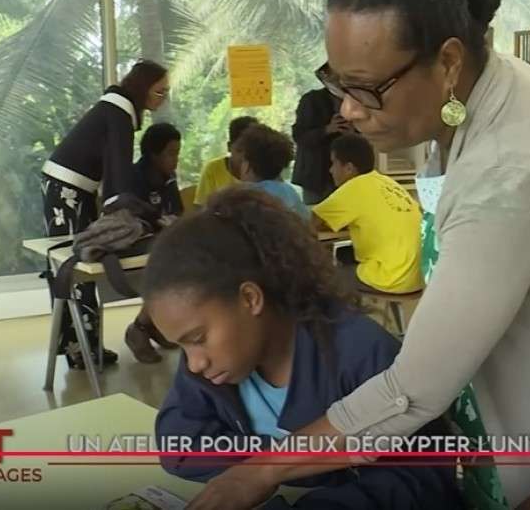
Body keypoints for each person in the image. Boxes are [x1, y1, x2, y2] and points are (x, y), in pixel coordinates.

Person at [183, 0, 530, 509]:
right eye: (337, 81)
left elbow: (414, 389)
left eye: (367, 88)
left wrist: (260, 472)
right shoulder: (472, 94)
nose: (349, 109)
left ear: (448, 61)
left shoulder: (511, 171)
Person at [145, 188, 463, 510]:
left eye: (197, 338)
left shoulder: (360, 353)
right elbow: (179, 445)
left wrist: (286, 469)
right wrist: (284, 465)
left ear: (250, 299)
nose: (193, 364)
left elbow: (423, 479)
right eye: (181, 346)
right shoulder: (215, 362)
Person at [41, 59, 169, 370]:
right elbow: (119, 177)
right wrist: (138, 213)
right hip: (67, 190)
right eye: (159, 91)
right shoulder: (119, 111)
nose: (163, 98)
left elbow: (116, 176)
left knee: (80, 267)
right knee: (75, 268)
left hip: (75, 190)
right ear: (143, 87)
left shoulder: (118, 108)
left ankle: (85, 346)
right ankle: (81, 349)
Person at [312, 132, 422, 294]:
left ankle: (348, 310)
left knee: (322, 278)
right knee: (344, 253)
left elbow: (312, 222)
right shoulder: (386, 181)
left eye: (333, 163)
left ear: (349, 168)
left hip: (391, 278)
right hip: (418, 277)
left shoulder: (353, 187)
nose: (330, 170)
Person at [124, 122, 183, 364]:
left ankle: (149, 323)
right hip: (135, 241)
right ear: (153, 154)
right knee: (172, 263)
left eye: (178, 153)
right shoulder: (133, 178)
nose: (176, 160)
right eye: (171, 153)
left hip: (161, 241)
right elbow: (130, 218)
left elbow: (177, 211)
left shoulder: (169, 178)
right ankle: (140, 327)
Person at [291, 85, 354, 204]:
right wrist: (327, 130)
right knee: (316, 210)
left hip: (348, 173)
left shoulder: (358, 98)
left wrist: (353, 133)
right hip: (316, 176)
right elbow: (299, 136)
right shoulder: (312, 100)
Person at [235, 123, 310, 221]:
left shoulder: (243, 199)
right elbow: (306, 221)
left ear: (247, 166)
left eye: (242, 161)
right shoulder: (289, 192)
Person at [194, 116, 258, 207]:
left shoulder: (262, 171)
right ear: (229, 147)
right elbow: (201, 208)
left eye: (251, 151)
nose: (245, 157)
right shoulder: (212, 169)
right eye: (239, 150)